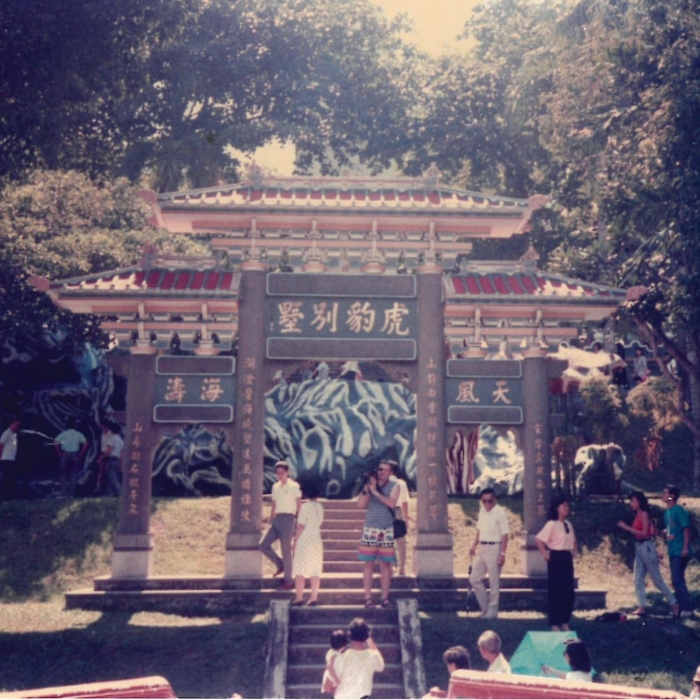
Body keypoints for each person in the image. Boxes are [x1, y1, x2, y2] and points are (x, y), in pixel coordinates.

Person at [617, 490, 678, 617]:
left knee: (657, 580)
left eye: (633, 500)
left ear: (639, 501)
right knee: (637, 579)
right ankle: (641, 606)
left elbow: (644, 533)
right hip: (639, 547)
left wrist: (626, 527)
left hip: (646, 547)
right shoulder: (638, 514)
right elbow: (648, 530)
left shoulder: (644, 514)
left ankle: (674, 604)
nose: (631, 503)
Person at [357, 461, 400, 608]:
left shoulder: (395, 486)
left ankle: (385, 598)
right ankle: (368, 598)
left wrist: (375, 491)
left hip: (386, 529)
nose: (381, 472)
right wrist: (368, 489)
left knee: (385, 565)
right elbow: (361, 504)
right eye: (379, 469)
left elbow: (392, 503)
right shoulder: (369, 485)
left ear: (390, 473)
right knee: (368, 564)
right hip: (370, 528)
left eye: (385, 470)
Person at [536, 493, 578, 631]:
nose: (567, 508)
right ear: (557, 508)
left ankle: (564, 621)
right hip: (556, 558)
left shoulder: (568, 524)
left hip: (566, 558)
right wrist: (545, 554)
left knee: (568, 591)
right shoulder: (551, 524)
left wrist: (574, 550)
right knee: (556, 591)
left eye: (567, 505)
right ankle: (554, 623)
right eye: (564, 505)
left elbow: (573, 540)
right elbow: (539, 540)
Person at [260, 461, 301, 590]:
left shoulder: (294, 486)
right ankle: (280, 564)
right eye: (277, 473)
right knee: (263, 545)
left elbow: (299, 504)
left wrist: (300, 521)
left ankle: (288, 580)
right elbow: (274, 504)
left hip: (288, 519)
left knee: (286, 550)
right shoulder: (275, 486)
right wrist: (271, 518)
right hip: (277, 519)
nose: (280, 475)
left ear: (287, 472)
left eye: (282, 473)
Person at [469, 487, 510, 619]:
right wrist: (474, 545)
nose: (487, 504)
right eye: (484, 501)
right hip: (482, 548)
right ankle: (486, 608)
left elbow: (505, 534)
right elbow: (479, 530)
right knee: (474, 578)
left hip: (495, 548)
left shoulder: (500, 512)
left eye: (490, 501)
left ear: (495, 500)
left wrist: (502, 553)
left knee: (494, 581)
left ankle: (492, 612)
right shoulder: (482, 511)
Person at [331, 617, 385, 699]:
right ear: (366, 636)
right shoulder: (373, 656)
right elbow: (381, 666)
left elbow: (334, 681)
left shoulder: (341, 658)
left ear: (350, 636)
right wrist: (370, 640)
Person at [292, 479, 324, 606]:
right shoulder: (320, 507)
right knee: (315, 570)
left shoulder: (305, 507)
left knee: (300, 569)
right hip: (316, 539)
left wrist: (295, 540)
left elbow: (301, 526)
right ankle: (313, 597)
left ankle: (299, 597)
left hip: (304, 540)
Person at [663, 485, 693, 618]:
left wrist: (685, 547)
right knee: (676, 580)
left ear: (672, 496)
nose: (663, 495)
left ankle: (687, 608)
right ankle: (680, 608)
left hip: (680, 551)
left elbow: (686, 528)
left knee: (677, 579)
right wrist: (661, 532)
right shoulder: (667, 513)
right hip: (672, 550)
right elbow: (671, 529)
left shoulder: (679, 510)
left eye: (665, 493)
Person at [54, 419, 89, 497]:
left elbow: (55, 442)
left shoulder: (63, 434)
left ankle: (64, 492)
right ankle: (71, 493)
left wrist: (59, 452)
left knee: (63, 474)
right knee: (73, 474)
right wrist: (81, 453)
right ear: (75, 425)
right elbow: (86, 443)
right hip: (75, 454)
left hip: (65, 454)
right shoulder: (78, 434)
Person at [390, 461, 410, 576]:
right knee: (401, 542)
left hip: (385, 513)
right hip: (397, 512)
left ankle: (391, 567)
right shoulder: (401, 483)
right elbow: (404, 502)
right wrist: (406, 518)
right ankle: (402, 568)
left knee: (388, 542)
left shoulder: (383, 483)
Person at [96, 420, 124, 496]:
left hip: (111, 460)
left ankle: (120, 493)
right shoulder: (121, 441)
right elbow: (122, 454)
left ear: (111, 430)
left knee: (112, 479)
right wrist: (121, 465)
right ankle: (109, 494)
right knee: (113, 478)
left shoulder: (112, 439)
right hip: (117, 460)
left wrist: (101, 458)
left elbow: (109, 450)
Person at [321, 629, 347, 696]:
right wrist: (336, 679)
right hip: (331, 678)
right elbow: (330, 667)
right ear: (343, 645)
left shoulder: (332, 652)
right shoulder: (334, 655)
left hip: (332, 676)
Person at [0, 418, 20, 500]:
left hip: (11, 459)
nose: (16, 426)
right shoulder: (7, 433)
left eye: (18, 425)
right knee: (6, 478)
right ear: (10, 424)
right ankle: (4, 497)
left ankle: (9, 496)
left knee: (10, 478)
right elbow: (1, 445)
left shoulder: (14, 435)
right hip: (5, 459)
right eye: (15, 424)